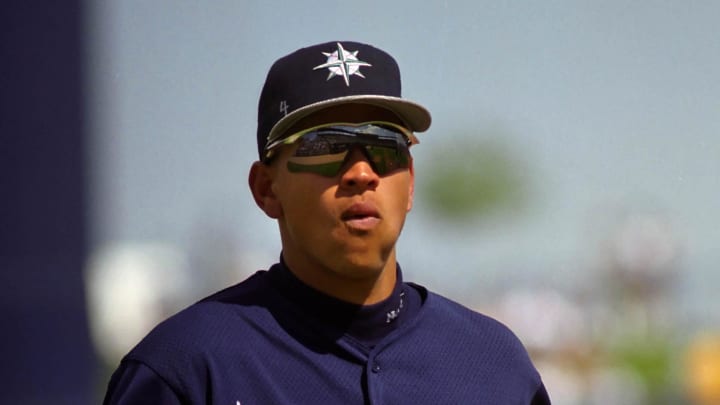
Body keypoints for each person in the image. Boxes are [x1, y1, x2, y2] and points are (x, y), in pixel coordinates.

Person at [103, 40, 551, 404]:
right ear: (266, 188)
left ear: (409, 182)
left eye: (383, 145)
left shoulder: (494, 365)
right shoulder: (187, 368)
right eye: (325, 146)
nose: (361, 172)